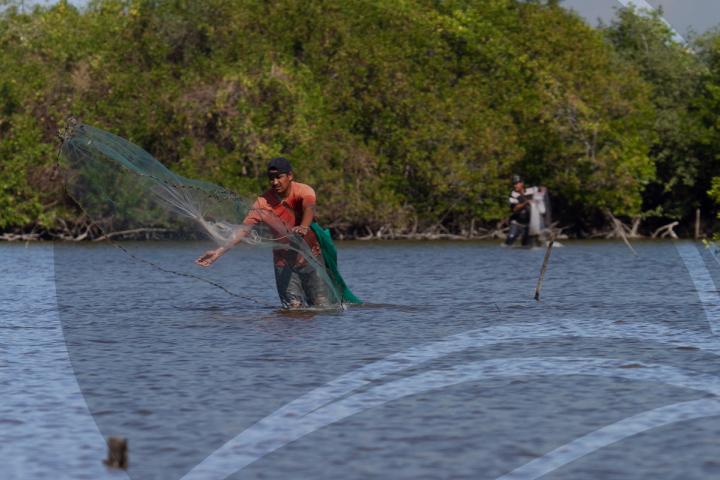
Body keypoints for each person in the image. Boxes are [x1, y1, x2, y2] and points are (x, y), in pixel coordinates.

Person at [195, 157, 331, 308]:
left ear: (290, 176)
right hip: (284, 263)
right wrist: (218, 252)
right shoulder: (262, 203)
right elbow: (243, 230)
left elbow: (309, 208)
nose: (274, 182)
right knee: (293, 308)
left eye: (279, 177)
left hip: (311, 258)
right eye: (271, 178)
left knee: (322, 306)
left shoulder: (304, 191)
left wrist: (304, 227)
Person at [505, 174, 547, 247]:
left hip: (528, 225)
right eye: (514, 184)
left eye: (517, 183)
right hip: (517, 223)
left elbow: (542, 189)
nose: (515, 185)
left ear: (522, 183)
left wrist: (541, 191)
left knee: (526, 245)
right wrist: (525, 203)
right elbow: (515, 209)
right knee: (509, 240)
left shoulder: (531, 190)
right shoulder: (512, 195)